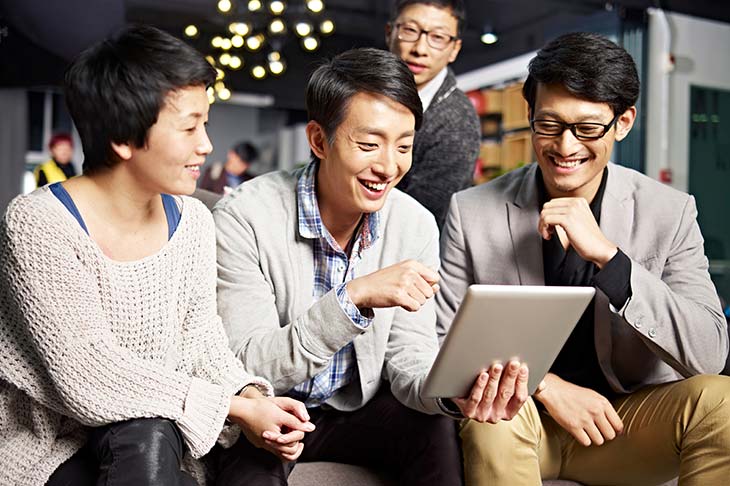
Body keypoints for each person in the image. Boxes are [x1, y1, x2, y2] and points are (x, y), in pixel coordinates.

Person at [0, 25, 313, 486]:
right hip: (57, 447)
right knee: (146, 433)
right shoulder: (38, 222)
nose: (206, 145)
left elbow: (202, 343)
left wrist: (250, 394)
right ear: (124, 138)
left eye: (205, 123)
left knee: (239, 452)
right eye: (189, 127)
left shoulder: (193, 222)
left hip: (164, 436)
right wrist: (232, 405)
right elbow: (88, 374)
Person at [212, 47, 530, 486]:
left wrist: (450, 393)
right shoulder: (245, 218)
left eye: (404, 147)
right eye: (368, 144)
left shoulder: (414, 223)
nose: (388, 166)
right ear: (319, 140)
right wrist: (353, 298)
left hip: (358, 408)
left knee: (434, 428)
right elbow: (249, 362)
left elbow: (408, 353)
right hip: (271, 409)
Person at [437, 32, 730, 486]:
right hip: (521, 420)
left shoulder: (669, 211)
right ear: (530, 114)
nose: (565, 147)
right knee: (491, 415)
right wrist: (547, 387)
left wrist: (611, 260)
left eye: (588, 129)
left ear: (624, 122)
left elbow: (709, 353)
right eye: (549, 125)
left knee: (724, 401)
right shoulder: (471, 212)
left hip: (628, 423)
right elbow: (442, 346)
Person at [386, 0, 480, 229]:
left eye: (438, 37)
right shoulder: (362, 95)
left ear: (454, 50)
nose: (420, 49)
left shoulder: (457, 121)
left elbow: (420, 222)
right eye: (410, 30)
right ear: (390, 32)